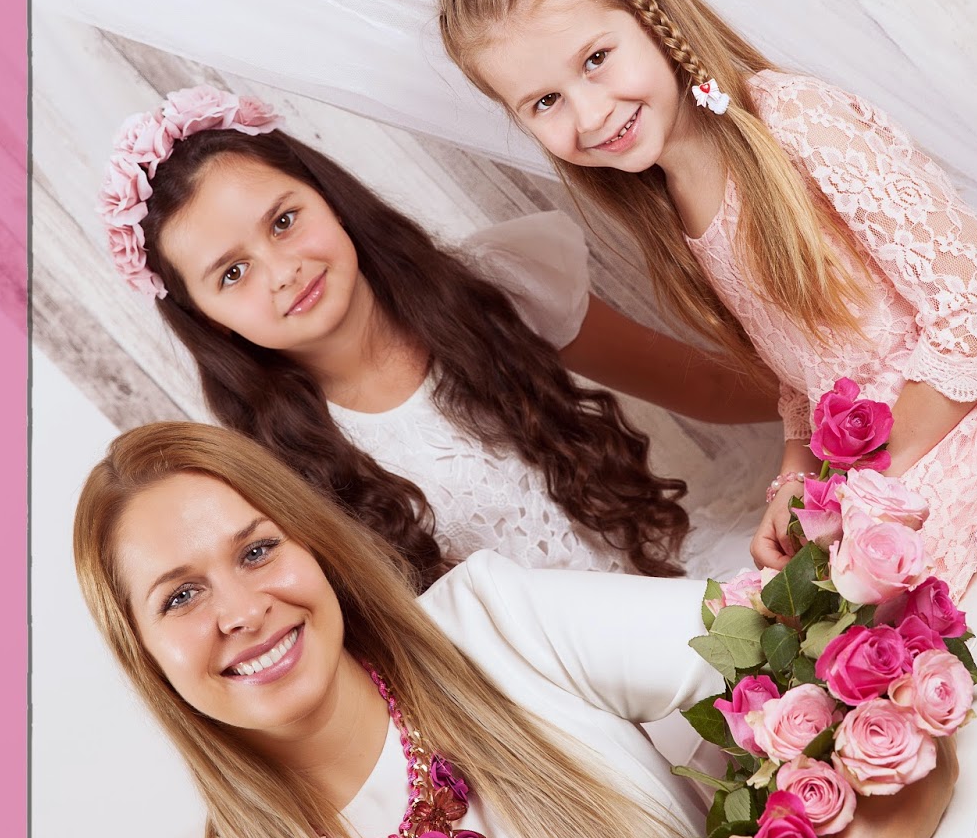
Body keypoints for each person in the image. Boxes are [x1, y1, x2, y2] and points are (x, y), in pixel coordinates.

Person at [72, 422, 956, 838]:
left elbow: (806, 643)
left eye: (257, 549)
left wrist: (900, 799)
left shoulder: (492, 623)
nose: (240, 610)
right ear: (145, 656)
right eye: (180, 597)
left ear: (313, 548)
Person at [436, 0, 977, 598]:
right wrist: (795, 481)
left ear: (652, 16)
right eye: (545, 102)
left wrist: (863, 484)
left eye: (597, 59)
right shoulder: (673, 208)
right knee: (783, 618)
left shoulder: (792, 121)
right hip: (882, 463)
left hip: (972, 414)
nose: (591, 112)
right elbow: (810, 374)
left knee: (868, 611)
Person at [100, 87, 782, 594]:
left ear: (326, 195)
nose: (283, 271)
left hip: (674, 586)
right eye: (232, 273)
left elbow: (704, 385)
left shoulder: (494, 287)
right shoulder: (276, 472)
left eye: (283, 221)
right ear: (209, 318)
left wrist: (831, 400)